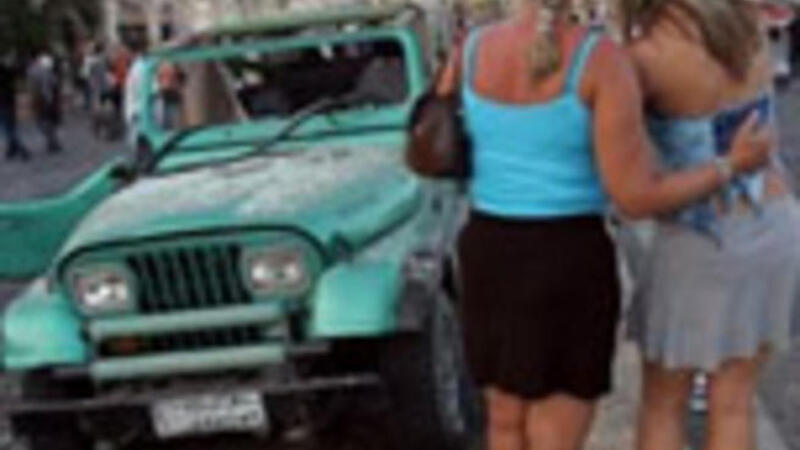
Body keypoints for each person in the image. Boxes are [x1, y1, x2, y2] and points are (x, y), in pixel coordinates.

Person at [430, 0, 773, 448]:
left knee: (504, 422)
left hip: (487, 251)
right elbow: (634, 196)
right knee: (554, 434)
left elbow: (436, 133)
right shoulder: (598, 60)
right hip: (566, 257)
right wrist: (729, 166)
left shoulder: (471, 50)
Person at [615, 1, 800, 449]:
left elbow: (632, 192)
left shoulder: (644, 58)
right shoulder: (746, 24)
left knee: (663, 402)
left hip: (698, 238)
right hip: (775, 221)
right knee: (734, 400)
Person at [27, 52, 63, 154]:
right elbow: (49, 85)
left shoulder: (32, 70)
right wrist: (49, 99)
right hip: (46, 99)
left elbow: (35, 86)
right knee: (48, 121)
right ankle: (53, 141)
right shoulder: (45, 70)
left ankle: (52, 141)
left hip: (39, 98)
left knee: (42, 121)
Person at [0, 54, 30, 161]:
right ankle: (11, 150)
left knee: (7, 129)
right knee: (10, 127)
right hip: (9, 102)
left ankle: (22, 149)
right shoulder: (8, 73)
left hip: (3, 103)